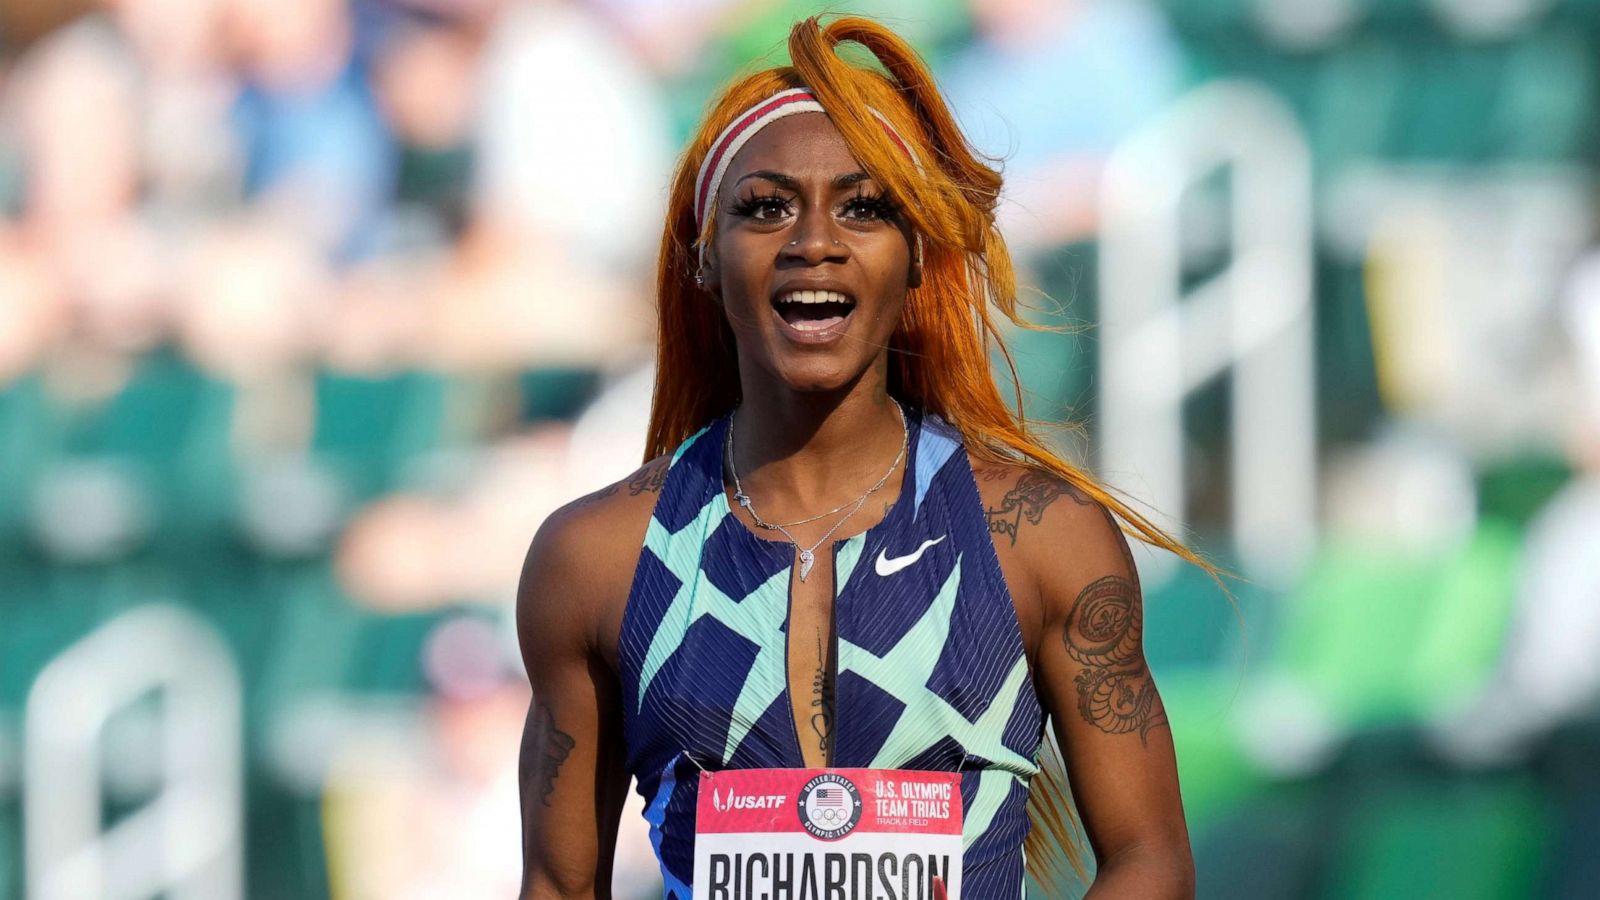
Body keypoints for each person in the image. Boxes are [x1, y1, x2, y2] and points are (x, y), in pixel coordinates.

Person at [517, 14, 1212, 898]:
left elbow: (1151, 861)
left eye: (865, 207)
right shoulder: (594, 560)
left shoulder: (1042, 538)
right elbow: (557, 884)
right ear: (702, 255)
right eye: (766, 208)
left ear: (918, 253)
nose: (815, 241)